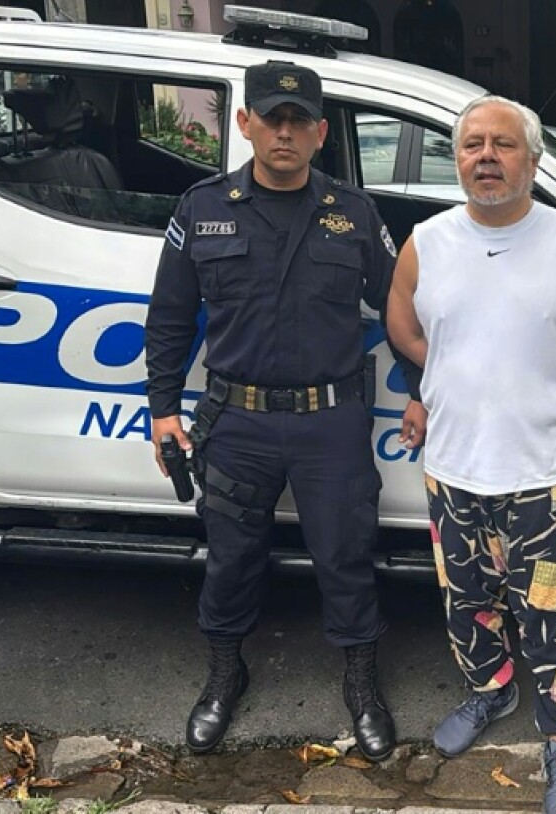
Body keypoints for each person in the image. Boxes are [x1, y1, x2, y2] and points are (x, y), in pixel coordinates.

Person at [145, 60, 421, 760]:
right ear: (245, 124)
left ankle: (361, 683)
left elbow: (399, 310)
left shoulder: (354, 213)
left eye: (300, 121)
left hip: (331, 420)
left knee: (346, 556)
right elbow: (170, 317)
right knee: (231, 558)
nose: (286, 132)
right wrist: (162, 409)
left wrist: (422, 383)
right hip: (235, 421)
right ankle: (222, 676)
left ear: (322, 132)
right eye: (272, 118)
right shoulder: (202, 209)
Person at [386, 95, 556, 814]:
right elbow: (401, 321)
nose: (486, 157)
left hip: (543, 480)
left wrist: (548, 372)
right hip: (454, 472)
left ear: (533, 159)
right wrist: (451, 370)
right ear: (456, 158)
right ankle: (490, 690)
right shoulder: (426, 241)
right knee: (468, 602)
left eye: (503, 145)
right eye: (472, 145)